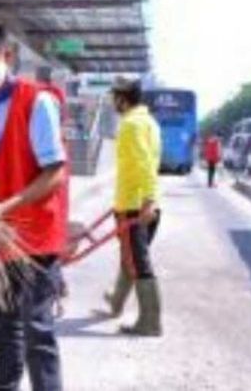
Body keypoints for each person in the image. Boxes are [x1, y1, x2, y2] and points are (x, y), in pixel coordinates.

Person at [0, 20, 66, 391]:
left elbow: (55, 172)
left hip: (36, 235)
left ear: (8, 55)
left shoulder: (38, 102)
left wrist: (4, 208)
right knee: (2, 322)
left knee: (36, 327)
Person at [104, 76, 163, 337]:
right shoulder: (149, 121)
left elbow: (143, 165)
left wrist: (146, 201)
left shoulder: (130, 125)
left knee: (138, 262)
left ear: (122, 98)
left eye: (114, 97)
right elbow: (150, 163)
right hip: (143, 203)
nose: (112, 102)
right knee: (131, 258)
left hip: (134, 206)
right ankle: (116, 301)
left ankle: (150, 321)